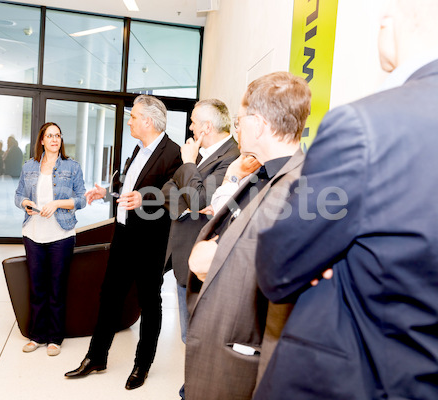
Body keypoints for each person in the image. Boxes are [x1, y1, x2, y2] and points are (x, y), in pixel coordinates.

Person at [254, 1, 438, 399]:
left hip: (358, 377)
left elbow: (278, 264)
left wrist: (329, 254)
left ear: (391, 24)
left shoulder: (365, 126)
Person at [185, 71, 311, 400]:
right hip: (219, 345)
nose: (237, 129)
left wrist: (212, 255)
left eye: (240, 121)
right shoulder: (262, 173)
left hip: (243, 360)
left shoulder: (300, 186)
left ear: (259, 122)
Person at [65, 95, 182, 390]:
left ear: (148, 121)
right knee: (110, 295)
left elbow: (174, 197)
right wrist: (106, 192)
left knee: (149, 303)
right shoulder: (138, 148)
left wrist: (145, 198)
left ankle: (142, 365)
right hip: (124, 233)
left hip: (150, 240)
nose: (129, 121)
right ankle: (96, 357)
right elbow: (129, 187)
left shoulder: (174, 154)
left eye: (133, 117)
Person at [161, 98, 241, 399]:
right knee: (189, 335)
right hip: (185, 257)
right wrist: (191, 198)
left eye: (194, 122)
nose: (190, 127)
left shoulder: (232, 157)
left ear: (206, 127)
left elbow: (200, 202)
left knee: (198, 336)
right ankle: (192, 387)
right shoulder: (205, 156)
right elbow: (169, 190)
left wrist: (189, 165)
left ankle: (195, 390)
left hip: (205, 263)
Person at [14, 122, 86, 357]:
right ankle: (37, 335)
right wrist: (26, 203)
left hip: (61, 234)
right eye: (49, 136)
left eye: (58, 135)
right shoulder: (29, 167)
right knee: (37, 287)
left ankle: (55, 338)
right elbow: (19, 195)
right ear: (42, 140)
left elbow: (81, 199)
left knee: (56, 288)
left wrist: (56, 204)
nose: (55, 139)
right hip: (33, 233)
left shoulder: (72, 167)